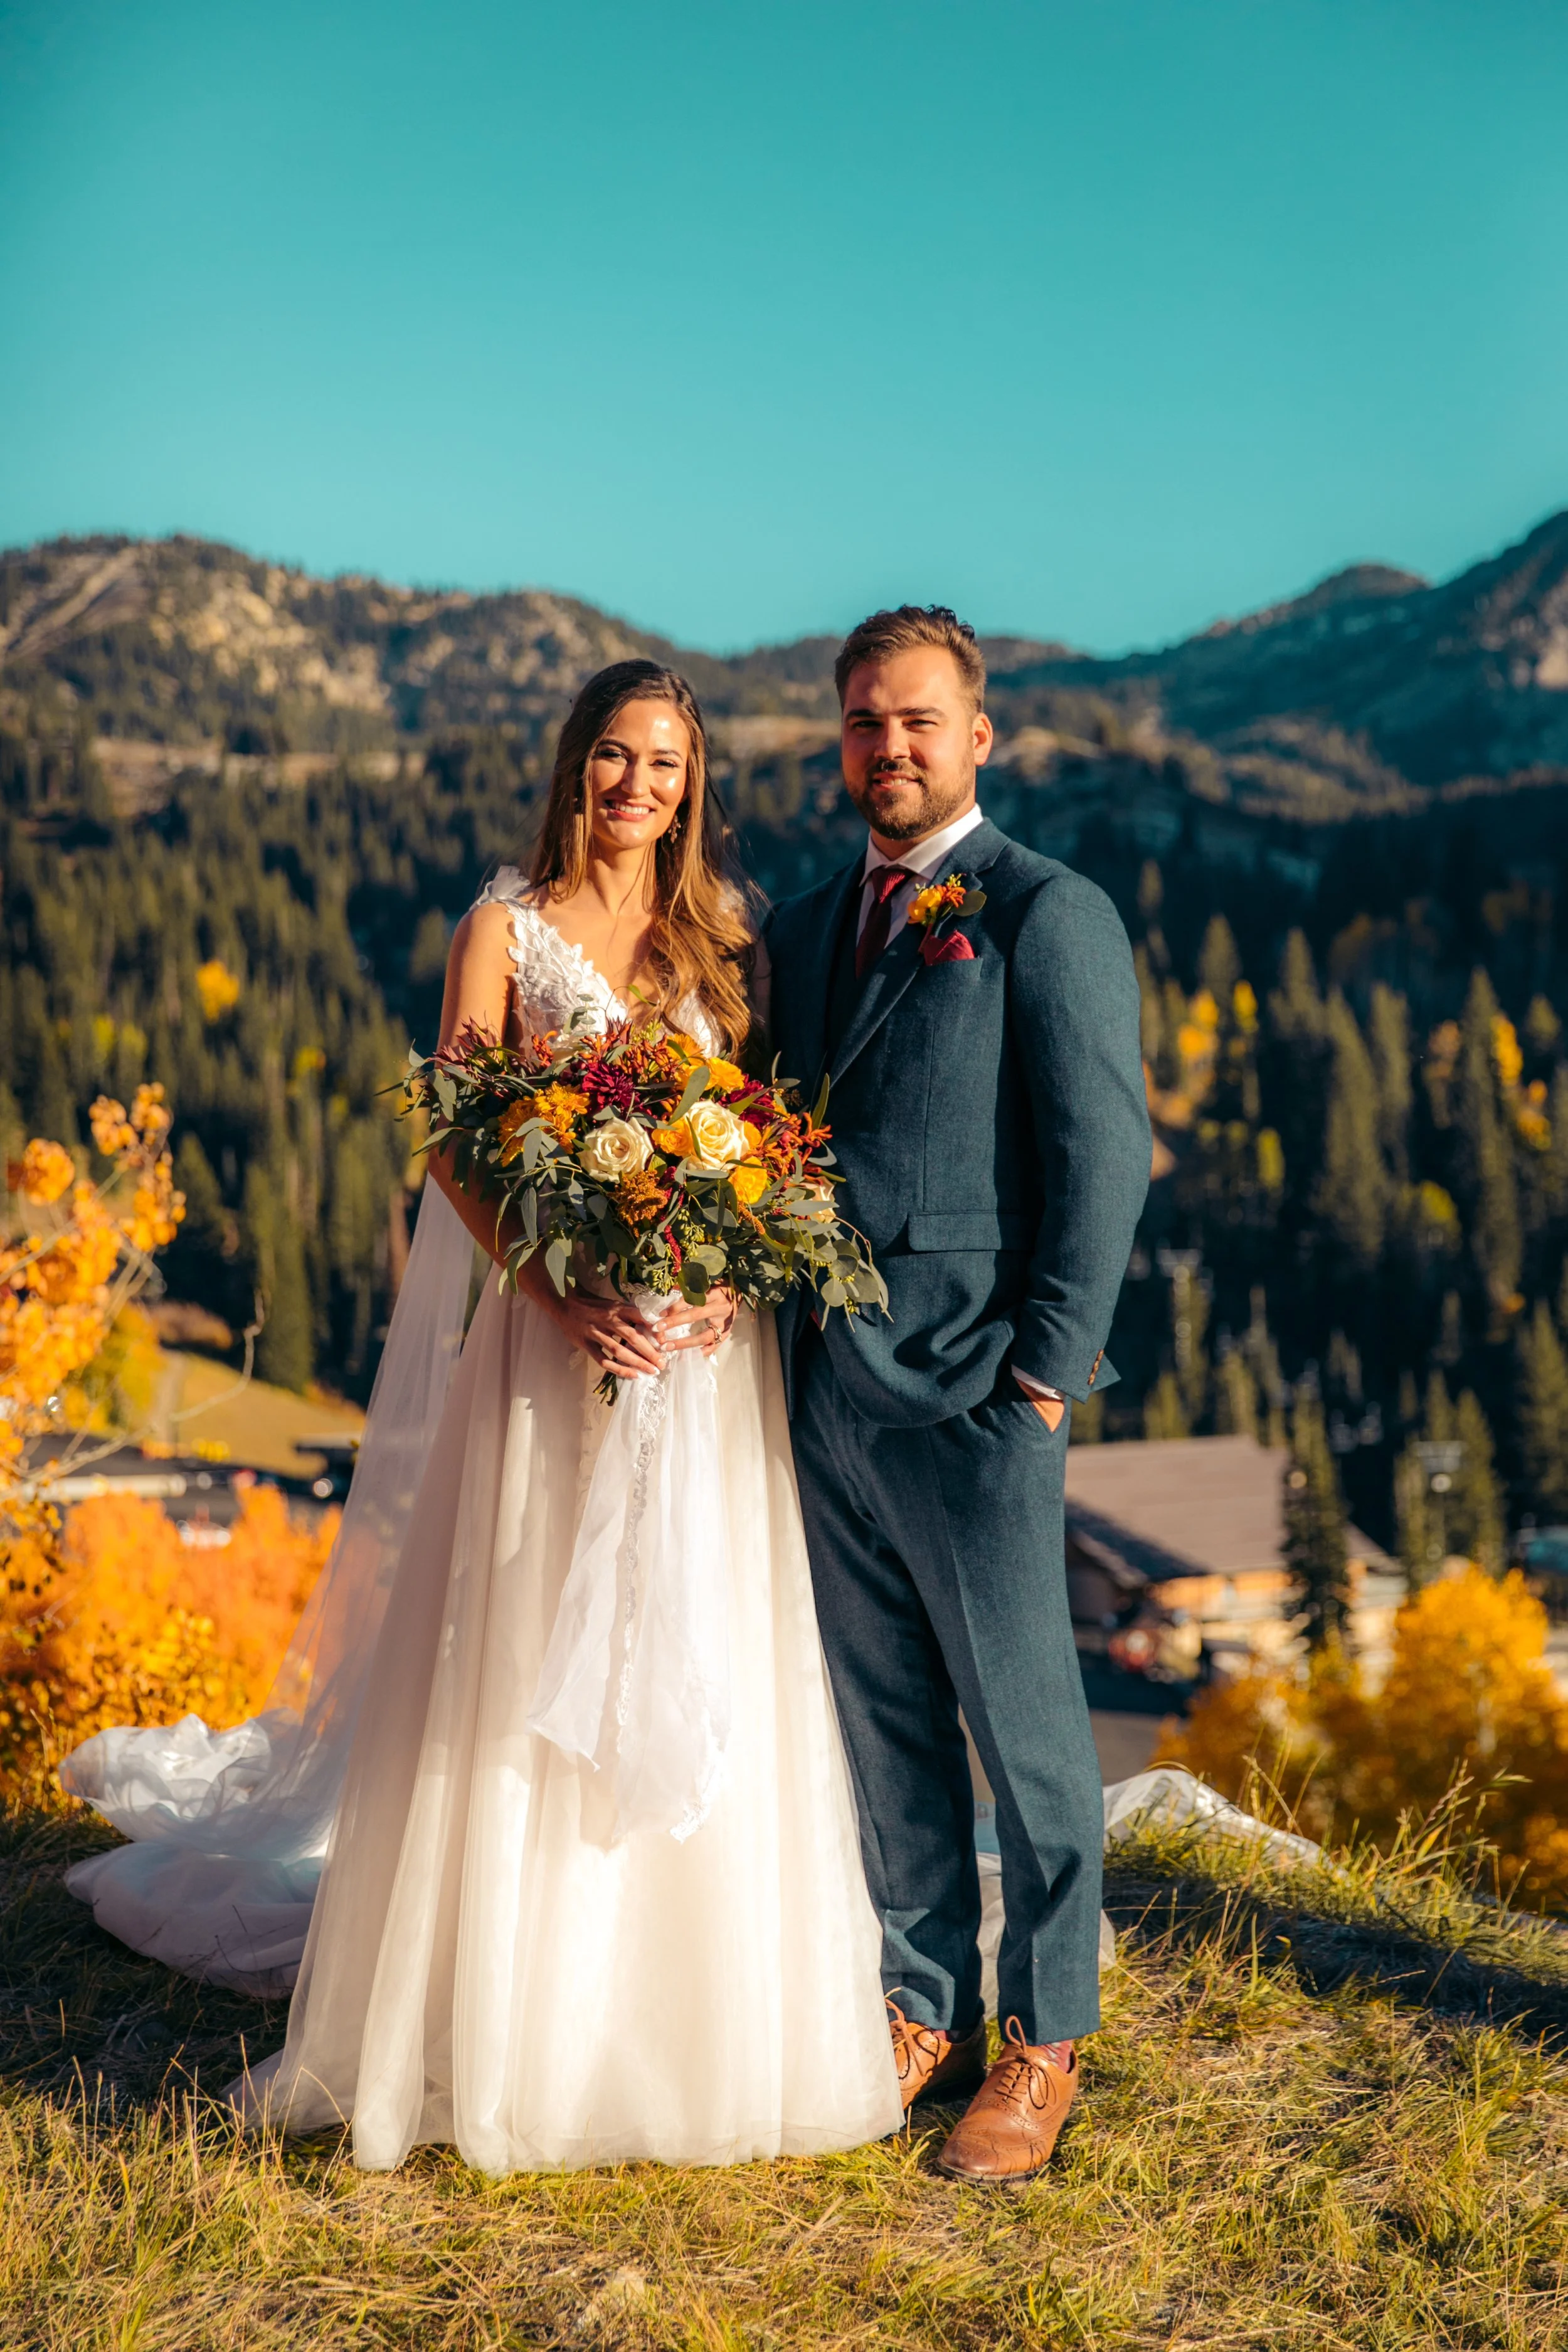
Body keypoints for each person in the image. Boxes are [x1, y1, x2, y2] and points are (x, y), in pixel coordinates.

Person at [65, 659, 902, 2175]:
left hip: (704, 1374)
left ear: (690, 782)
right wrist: (561, 1295)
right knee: (519, 1646)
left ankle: (697, 2026)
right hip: (549, 1349)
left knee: (703, 1639)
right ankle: (518, 2020)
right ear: (573, 763)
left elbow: (767, 1148)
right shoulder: (500, 929)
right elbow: (456, 1146)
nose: (636, 785)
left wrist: (724, 1288)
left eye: (664, 763)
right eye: (613, 756)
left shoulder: (725, 937)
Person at [764, 607, 1150, 2183]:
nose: (888, 746)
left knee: (1031, 1739)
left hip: (976, 1393)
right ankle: (917, 2011)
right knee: (885, 1729)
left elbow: (1103, 1157)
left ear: (977, 735)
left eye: (916, 720)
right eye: (862, 721)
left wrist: (1044, 1381)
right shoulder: (796, 930)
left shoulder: (1042, 912)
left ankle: (1043, 2040)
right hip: (820, 1393)